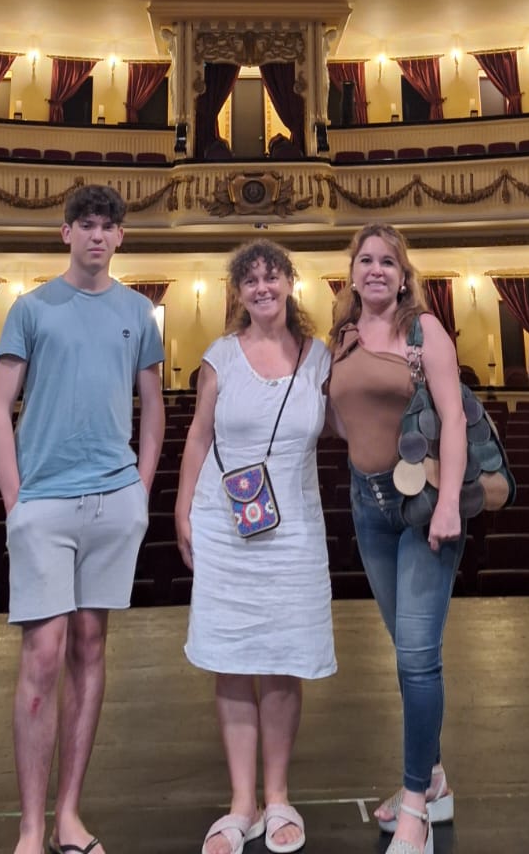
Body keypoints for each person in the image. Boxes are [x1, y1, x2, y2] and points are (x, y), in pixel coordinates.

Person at [0, 183, 166, 854]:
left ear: (121, 237)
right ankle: (30, 828)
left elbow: (153, 406)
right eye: (84, 224)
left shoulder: (140, 314)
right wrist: (15, 501)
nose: (96, 235)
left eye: (107, 226)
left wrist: (140, 492)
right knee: (43, 654)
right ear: (65, 233)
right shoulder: (30, 309)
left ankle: (68, 815)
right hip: (46, 502)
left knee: (91, 646)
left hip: (112, 498)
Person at [176, 239, 335, 854]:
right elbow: (195, 436)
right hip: (226, 522)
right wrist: (183, 507)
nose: (263, 288)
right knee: (233, 657)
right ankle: (241, 804)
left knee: (282, 660)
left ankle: (277, 796)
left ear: (291, 283)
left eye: (273, 277)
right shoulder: (219, 355)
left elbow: (344, 422)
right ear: (238, 293)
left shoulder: (319, 357)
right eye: (251, 281)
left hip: (294, 527)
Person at [326, 224, 467, 854]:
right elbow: (335, 421)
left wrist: (448, 509)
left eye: (388, 261)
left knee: (417, 655)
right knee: (406, 649)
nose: (376, 269)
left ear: (403, 274)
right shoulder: (342, 339)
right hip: (367, 505)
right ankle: (433, 779)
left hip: (422, 506)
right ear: (351, 273)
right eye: (366, 260)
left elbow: (455, 416)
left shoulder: (424, 331)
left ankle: (415, 807)